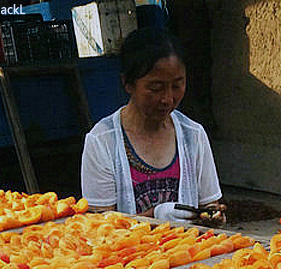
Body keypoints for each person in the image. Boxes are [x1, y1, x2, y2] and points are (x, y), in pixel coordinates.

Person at [81, 27, 223, 223]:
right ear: (128, 84)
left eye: (177, 85)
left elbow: (210, 203)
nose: (167, 99)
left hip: (190, 253)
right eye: (155, 88)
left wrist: (212, 216)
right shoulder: (102, 142)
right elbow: (100, 229)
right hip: (128, 253)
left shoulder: (193, 135)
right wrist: (154, 217)